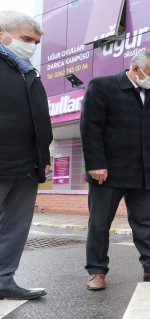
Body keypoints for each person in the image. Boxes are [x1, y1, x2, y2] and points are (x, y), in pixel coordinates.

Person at [80, 49, 150, 290]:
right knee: (100, 223)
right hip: (108, 172)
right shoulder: (102, 87)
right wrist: (96, 164)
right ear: (135, 69)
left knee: (146, 222)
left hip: (142, 171)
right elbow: (90, 127)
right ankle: (96, 271)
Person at [0, 10, 51, 300]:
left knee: (15, 228)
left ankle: (4, 280)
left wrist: (43, 155)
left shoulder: (27, 71)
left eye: (36, 41)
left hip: (27, 164)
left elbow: (39, 119)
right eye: (26, 39)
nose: (32, 45)